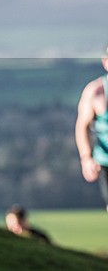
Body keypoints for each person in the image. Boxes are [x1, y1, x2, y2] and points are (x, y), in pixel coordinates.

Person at [74, 45, 108, 212]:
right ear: (105, 62)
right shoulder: (96, 92)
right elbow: (82, 126)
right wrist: (86, 158)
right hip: (106, 159)